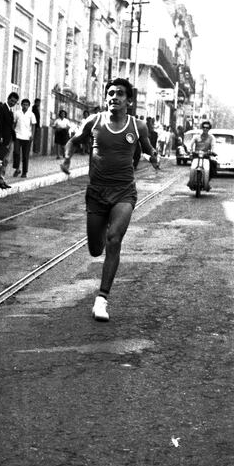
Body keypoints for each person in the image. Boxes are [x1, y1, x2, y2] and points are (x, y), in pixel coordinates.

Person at [60, 77, 159, 322]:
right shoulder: (94, 121)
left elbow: (147, 148)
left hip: (124, 192)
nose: (114, 97)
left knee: (114, 240)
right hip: (96, 193)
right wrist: (67, 158)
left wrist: (154, 157)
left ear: (129, 100)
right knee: (96, 249)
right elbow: (73, 141)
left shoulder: (138, 126)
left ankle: (102, 299)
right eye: (111, 93)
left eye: (120, 94)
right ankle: (102, 229)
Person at [12, 98, 36, 178]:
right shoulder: (17, 113)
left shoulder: (31, 114)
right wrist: (13, 133)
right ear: (21, 105)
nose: (25, 106)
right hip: (17, 135)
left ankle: (24, 172)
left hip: (27, 137)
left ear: (29, 106)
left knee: (25, 155)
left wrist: (32, 135)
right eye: (24, 104)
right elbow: (14, 123)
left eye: (27, 105)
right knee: (16, 153)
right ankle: (17, 169)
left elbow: (33, 125)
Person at [189, 121, 215, 191]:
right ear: (202, 128)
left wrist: (212, 151)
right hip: (196, 156)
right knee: (193, 167)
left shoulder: (211, 137)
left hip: (206, 156)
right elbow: (191, 144)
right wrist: (190, 151)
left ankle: (207, 182)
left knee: (210, 168)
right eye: (204, 127)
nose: (205, 129)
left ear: (209, 129)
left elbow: (213, 145)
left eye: (207, 127)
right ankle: (191, 180)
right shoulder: (196, 137)